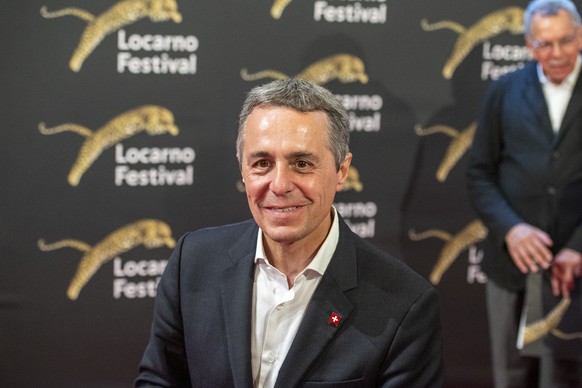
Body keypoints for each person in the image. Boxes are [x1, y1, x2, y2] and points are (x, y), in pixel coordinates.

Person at [135, 79, 444, 387]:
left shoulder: (405, 305)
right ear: (242, 169)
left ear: (342, 171)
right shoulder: (192, 262)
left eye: (301, 163)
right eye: (262, 163)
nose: (280, 185)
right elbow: (159, 380)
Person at [467, 0, 582, 386]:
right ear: (530, 45)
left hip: (575, 273)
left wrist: (578, 246)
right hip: (510, 266)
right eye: (545, 44)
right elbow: (479, 174)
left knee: (566, 376)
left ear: (580, 35)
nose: (557, 54)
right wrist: (512, 230)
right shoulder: (503, 90)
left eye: (566, 41)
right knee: (511, 376)